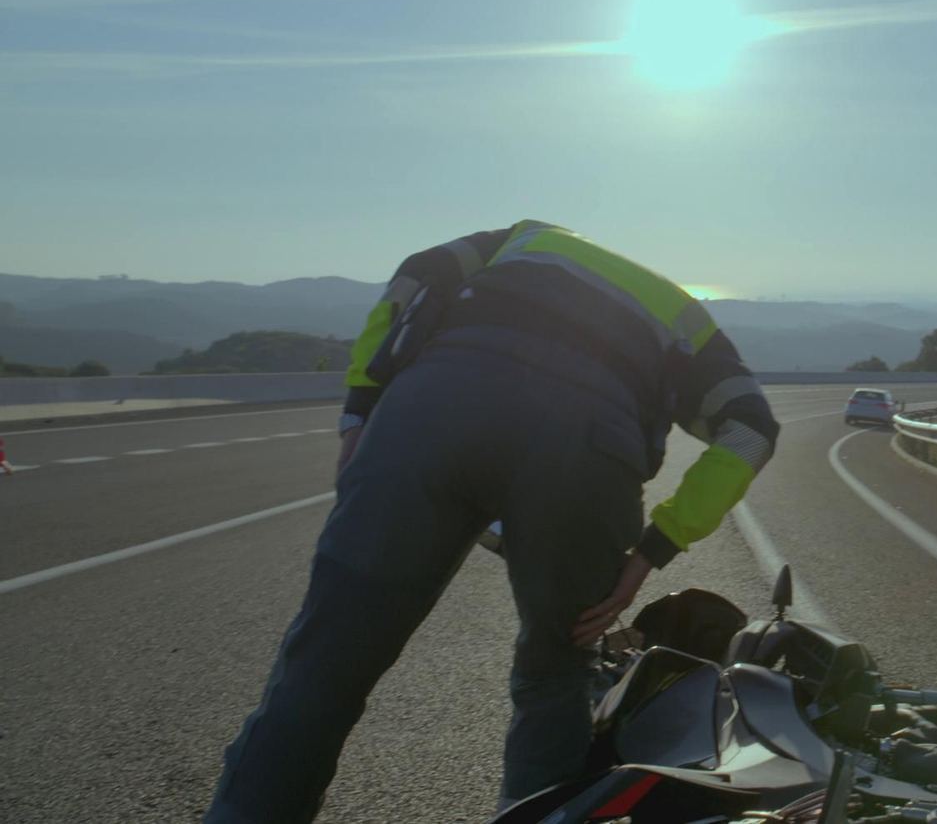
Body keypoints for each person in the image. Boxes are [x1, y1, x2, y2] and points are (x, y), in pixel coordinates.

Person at [204, 219, 780, 823]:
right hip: (587, 452)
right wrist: (653, 550)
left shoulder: (523, 236)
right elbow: (752, 432)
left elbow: (416, 277)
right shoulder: (690, 320)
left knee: (326, 660)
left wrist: (361, 410)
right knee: (556, 672)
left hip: (432, 408)